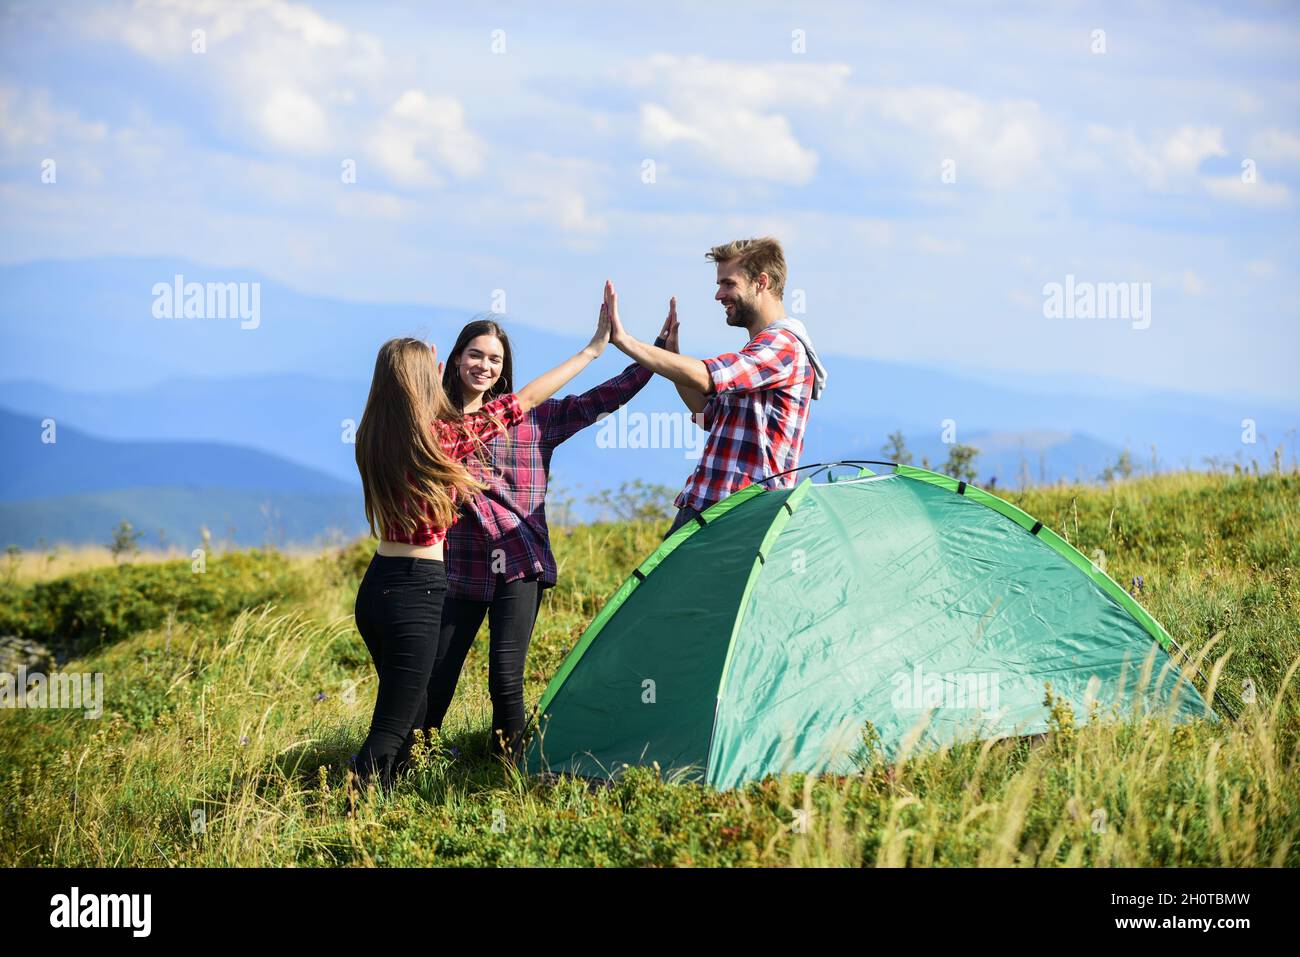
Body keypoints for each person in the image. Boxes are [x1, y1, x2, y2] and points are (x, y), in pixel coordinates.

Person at [349, 296, 612, 793]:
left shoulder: (374, 435)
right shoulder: (444, 440)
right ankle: (356, 809)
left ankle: (400, 785)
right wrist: (592, 351)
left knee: (410, 707)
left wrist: (414, 363)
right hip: (419, 590)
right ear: (423, 381)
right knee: (392, 726)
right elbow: (526, 400)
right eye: (432, 365)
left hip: (375, 586)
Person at [417, 295, 671, 763]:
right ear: (455, 360)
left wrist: (656, 354)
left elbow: (603, 398)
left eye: (495, 359)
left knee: (505, 677)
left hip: (519, 562)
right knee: (438, 671)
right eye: (475, 354)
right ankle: (413, 761)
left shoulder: (535, 417)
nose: (484, 365)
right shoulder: (440, 426)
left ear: (505, 369)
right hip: (460, 565)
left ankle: (509, 768)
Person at [602, 237, 826, 539]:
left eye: (728, 284)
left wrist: (627, 342)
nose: (719, 295)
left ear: (761, 282)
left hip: (736, 517)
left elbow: (709, 377)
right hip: (711, 508)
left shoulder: (783, 346)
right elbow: (706, 414)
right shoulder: (760, 350)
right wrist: (673, 358)